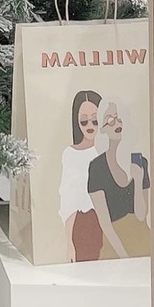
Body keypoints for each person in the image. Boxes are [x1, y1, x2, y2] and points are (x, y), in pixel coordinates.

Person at [88, 99, 152, 259]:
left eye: (119, 117)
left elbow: (141, 215)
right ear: (102, 128)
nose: (116, 123)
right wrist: (125, 257)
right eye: (110, 120)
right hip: (114, 246)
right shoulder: (97, 167)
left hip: (142, 241)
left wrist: (138, 181)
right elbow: (105, 225)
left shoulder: (140, 162)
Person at [59, 90, 102, 261]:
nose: (90, 125)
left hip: (113, 222)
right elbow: (69, 201)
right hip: (85, 224)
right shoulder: (71, 154)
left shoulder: (109, 151)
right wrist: (69, 243)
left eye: (95, 120)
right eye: (84, 121)